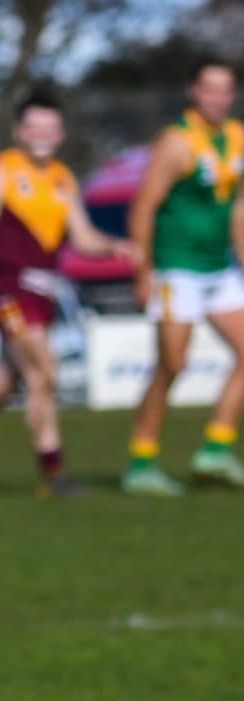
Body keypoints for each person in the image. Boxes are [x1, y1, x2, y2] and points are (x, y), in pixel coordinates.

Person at [0, 89, 130, 498]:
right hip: (8, 291)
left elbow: (83, 238)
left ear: (61, 132)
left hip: (43, 293)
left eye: (50, 128)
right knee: (43, 368)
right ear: (19, 130)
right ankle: (54, 474)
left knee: (3, 384)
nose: (42, 135)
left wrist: (115, 246)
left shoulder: (62, 179)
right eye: (34, 126)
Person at [121, 57, 244, 496]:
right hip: (176, 269)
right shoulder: (176, 142)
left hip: (218, 268)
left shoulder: (236, 137)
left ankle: (215, 450)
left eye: (226, 88)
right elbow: (143, 208)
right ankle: (140, 464)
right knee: (173, 365)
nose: (218, 96)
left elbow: (237, 208)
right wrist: (143, 270)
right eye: (210, 88)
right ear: (194, 90)